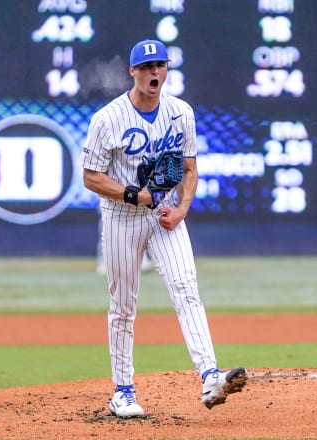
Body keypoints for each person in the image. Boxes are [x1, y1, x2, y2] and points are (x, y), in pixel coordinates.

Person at [79, 38, 247, 417]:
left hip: (163, 214)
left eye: (161, 65)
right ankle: (123, 391)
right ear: (133, 72)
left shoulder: (181, 112)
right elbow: (91, 177)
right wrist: (134, 195)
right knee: (124, 305)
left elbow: (189, 170)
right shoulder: (108, 119)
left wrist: (183, 208)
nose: (155, 72)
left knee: (187, 289)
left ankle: (210, 376)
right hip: (122, 216)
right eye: (147, 66)